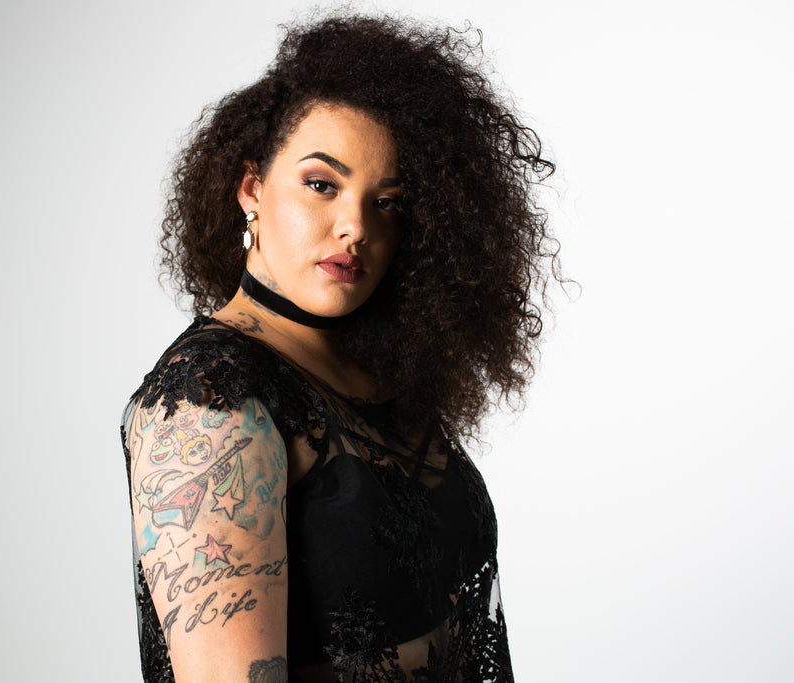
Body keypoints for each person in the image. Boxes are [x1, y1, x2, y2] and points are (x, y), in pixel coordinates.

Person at [121, 14, 559, 683]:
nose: (355, 226)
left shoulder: (372, 374)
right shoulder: (210, 399)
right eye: (322, 184)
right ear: (251, 190)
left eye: (387, 203)